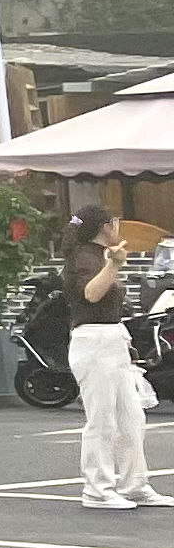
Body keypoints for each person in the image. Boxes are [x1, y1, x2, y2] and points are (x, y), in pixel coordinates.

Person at [59, 207, 171, 511]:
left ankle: (135, 485)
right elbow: (91, 294)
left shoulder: (98, 254)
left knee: (131, 418)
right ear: (105, 226)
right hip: (93, 341)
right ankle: (97, 489)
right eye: (115, 222)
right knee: (102, 420)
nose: (118, 227)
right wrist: (113, 265)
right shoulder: (84, 257)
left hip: (111, 339)